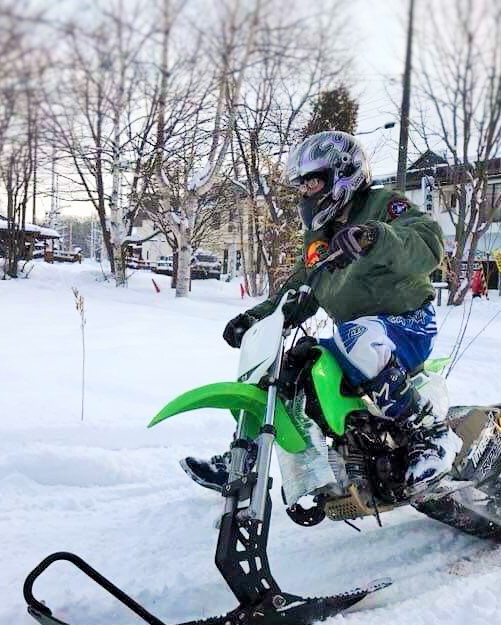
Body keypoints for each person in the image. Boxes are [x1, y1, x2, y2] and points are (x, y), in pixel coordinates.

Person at [182, 130, 462, 494]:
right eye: (302, 186)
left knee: (354, 336)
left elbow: (427, 243)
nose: (306, 193)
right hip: (358, 339)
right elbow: (301, 286)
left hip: (406, 325)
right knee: (293, 366)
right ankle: (247, 459)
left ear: (342, 175)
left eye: (312, 182)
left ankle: (430, 435)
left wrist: (373, 237)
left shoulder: (384, 206)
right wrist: (256, 319)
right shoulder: (321, 236)